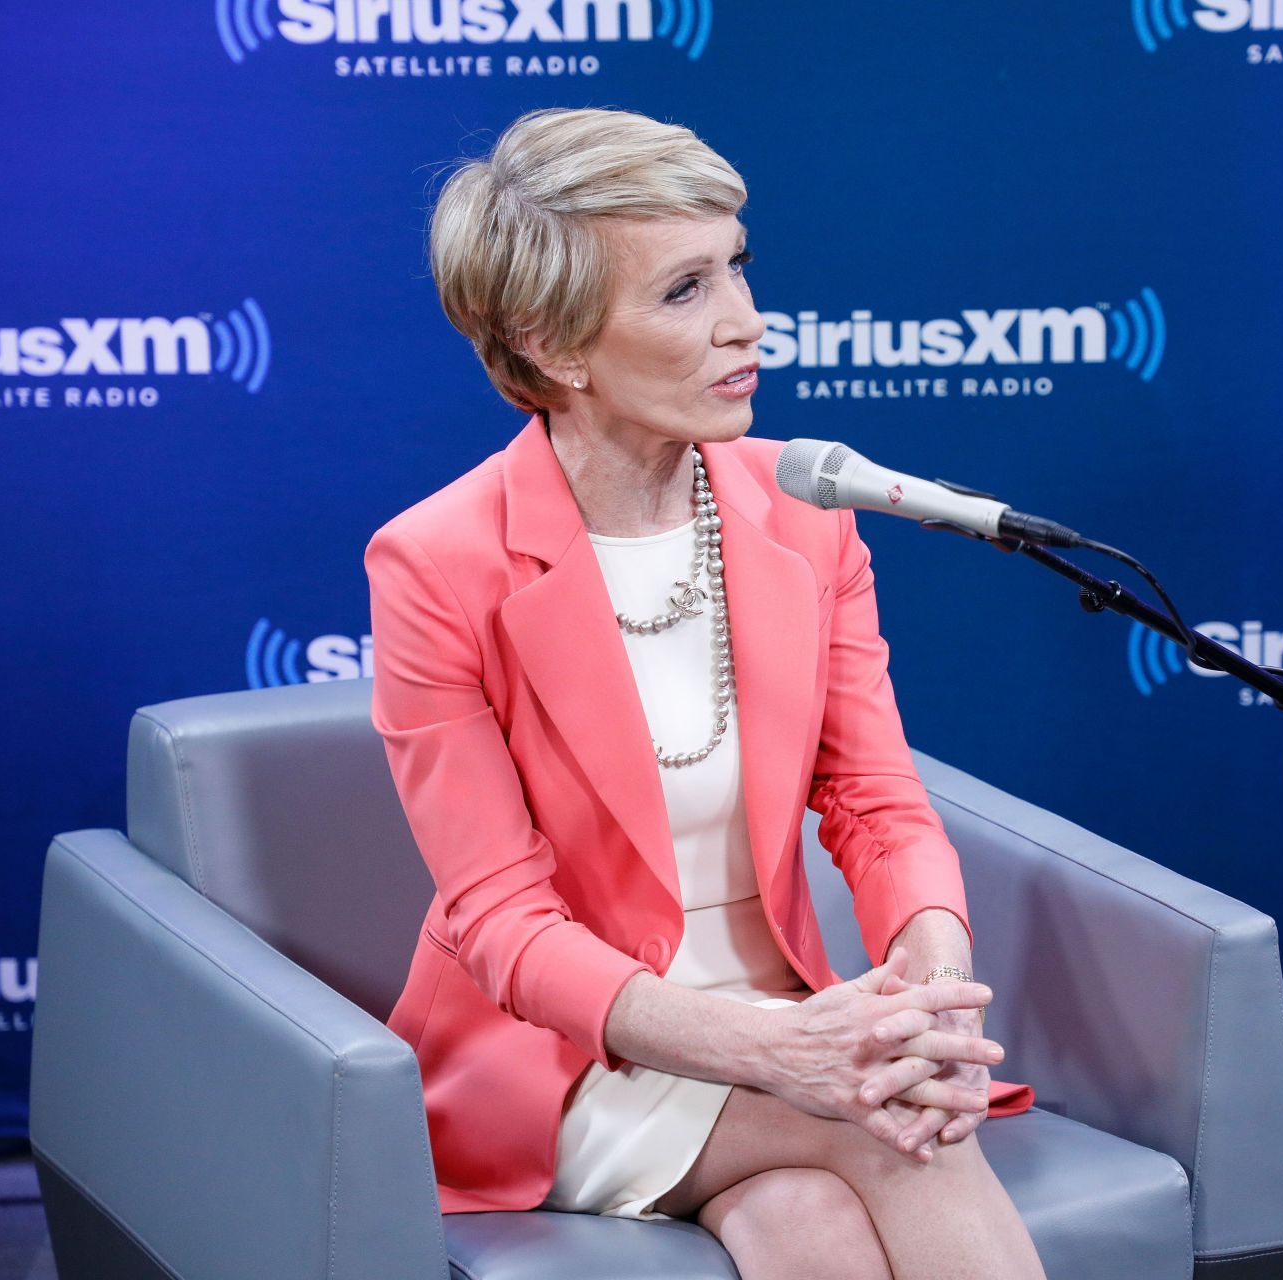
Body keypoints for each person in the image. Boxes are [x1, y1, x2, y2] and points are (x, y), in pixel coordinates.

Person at [364, 106, 1044, 1279]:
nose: (747, 321)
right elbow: (503, 926)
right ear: (552, 341)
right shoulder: (437, 564)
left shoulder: (803, 517)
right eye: (683, 290)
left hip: (790, 1021)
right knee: (897, 1138)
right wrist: (791, 1059)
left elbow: (877, 801)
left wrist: (930, 993)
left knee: (805, 1219)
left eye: (737, 265)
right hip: (565, 1058)